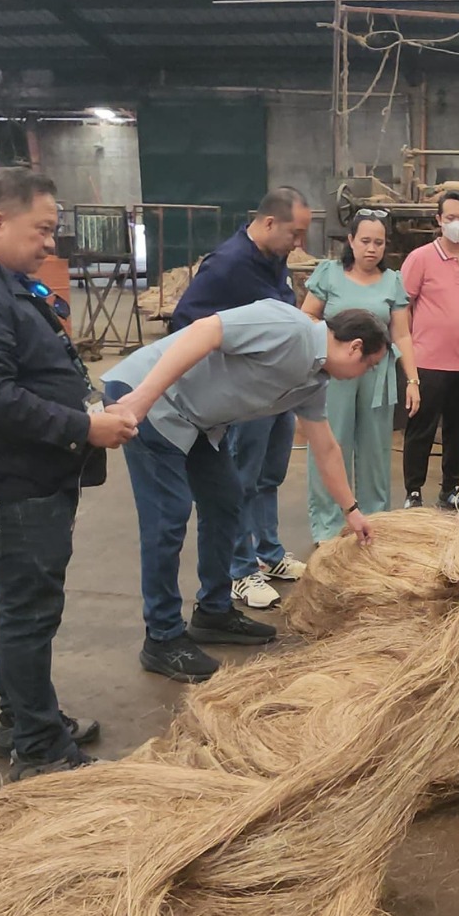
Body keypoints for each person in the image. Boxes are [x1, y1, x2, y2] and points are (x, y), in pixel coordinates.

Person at [0, 166, 137, 780]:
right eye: (41, 229)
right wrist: (84, 428)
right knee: (29, 612)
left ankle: (23, 719)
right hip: (13, 488)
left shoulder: (4, 283)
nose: (50, 243)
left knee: (17, 605)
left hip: (34, 481)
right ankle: (40, 750)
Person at [104, 301, 389, 683]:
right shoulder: (290, 327)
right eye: (368, 366)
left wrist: (352, 511)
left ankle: (214, 612)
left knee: (225, 503)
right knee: (167, 519)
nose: (361, 374)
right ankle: (162, 637)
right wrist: (143, 397)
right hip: (152, 402)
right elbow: (207, 329)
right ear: (354, 347)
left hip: (198, 422)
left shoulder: (312, 380)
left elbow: (325, 447)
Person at [169, 186, 313, 612]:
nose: (299, 243)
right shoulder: (228, 265)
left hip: (276, 390)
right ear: (269, 223)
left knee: (269, 475)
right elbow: (186, 324)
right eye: (295, 233)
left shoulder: (274, 259)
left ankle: (268, 552)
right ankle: (240, 569)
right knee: (240, 481)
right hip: (246, 392)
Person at [300, 211, 421, 542]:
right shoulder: (329, 274)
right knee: (330, 442)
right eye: (365, 241)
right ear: (350, 240)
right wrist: (330, 344)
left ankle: (374, 520)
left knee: (375, 451)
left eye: (379, 242)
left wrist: (412, 379)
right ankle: (326, 527)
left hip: (377, 373)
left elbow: (403, 336)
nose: (372, 249)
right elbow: (307, 315)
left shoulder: (392, 281)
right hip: (335, 371)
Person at [400, 191, 459, 509]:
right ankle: (413, 492)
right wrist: (418, 342)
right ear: (438, 220)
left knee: (458, 430)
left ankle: (450, 488)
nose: (457, 224)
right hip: (428, 361)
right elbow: (403, 306)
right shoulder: (420, 258)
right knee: (421, 429)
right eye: (450, 218)